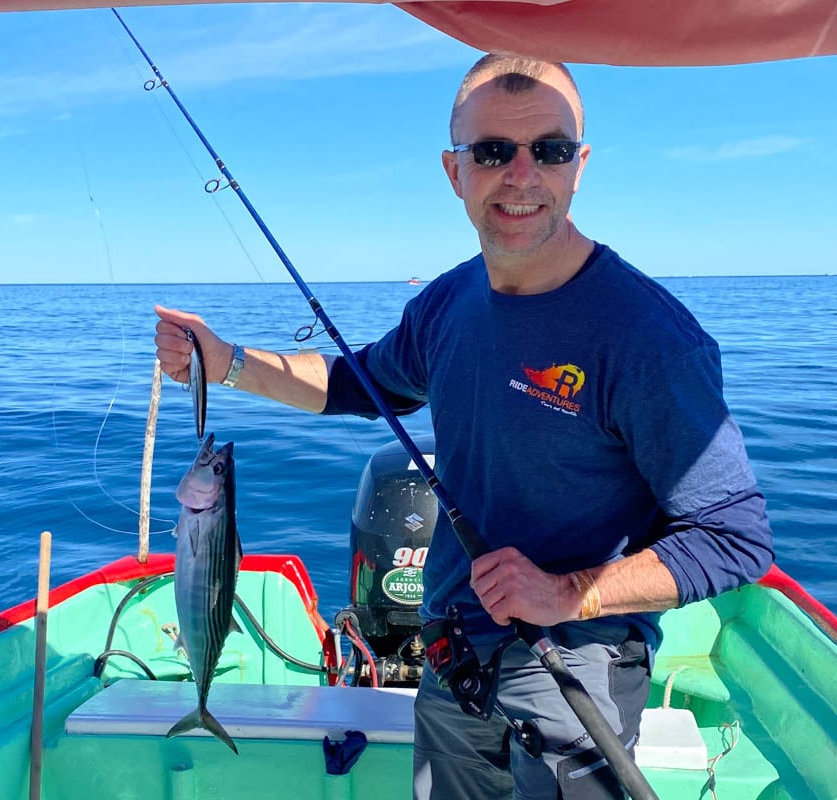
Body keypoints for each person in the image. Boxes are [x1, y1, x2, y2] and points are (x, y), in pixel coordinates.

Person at [154, 54, 773, 800]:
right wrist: (227, 363)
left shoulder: (649, 339)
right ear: (455, 171)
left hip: (574, 661)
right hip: (451, 650)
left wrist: (568, 591)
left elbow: (735, 539)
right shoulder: (448, 304)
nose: (521, 174)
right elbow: (360, 383)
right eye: (492, 152)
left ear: (580, 166)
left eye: (548, 149)